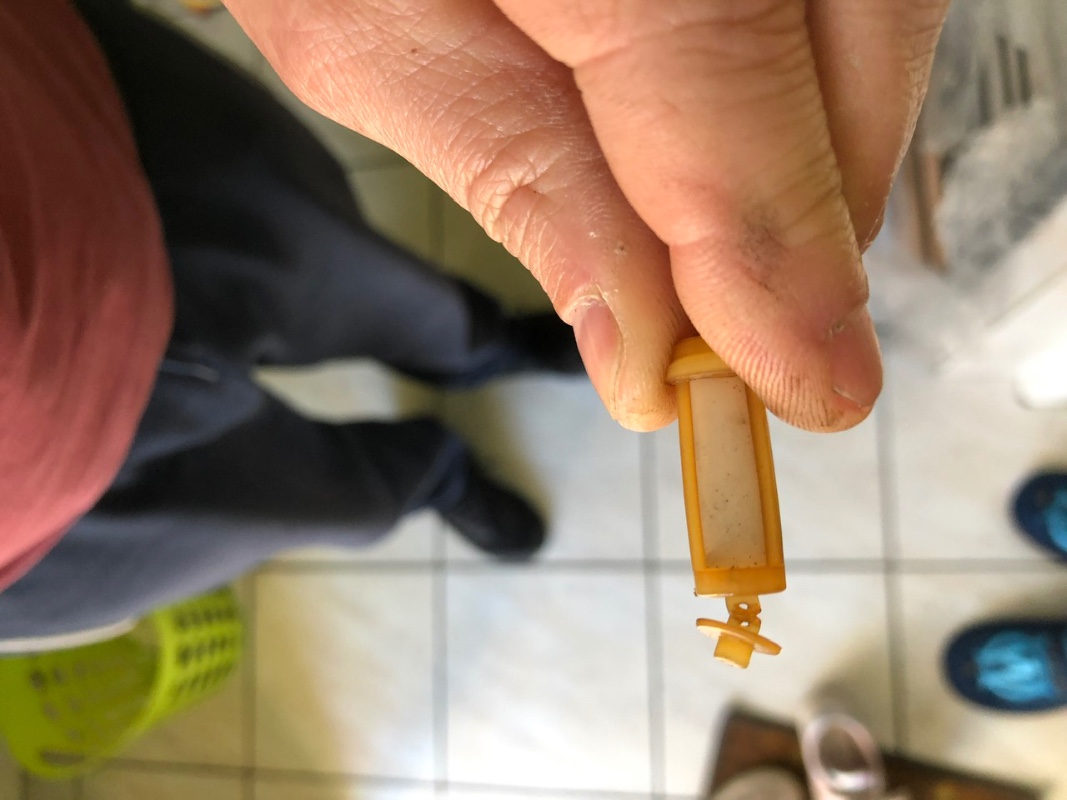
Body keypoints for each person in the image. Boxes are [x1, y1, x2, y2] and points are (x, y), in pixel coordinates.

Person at [0, 0, 952, 635]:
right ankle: (437, 475)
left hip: (77, 144)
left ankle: (487, 353)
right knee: (309, 504)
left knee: (376, 290)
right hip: (40, 536)